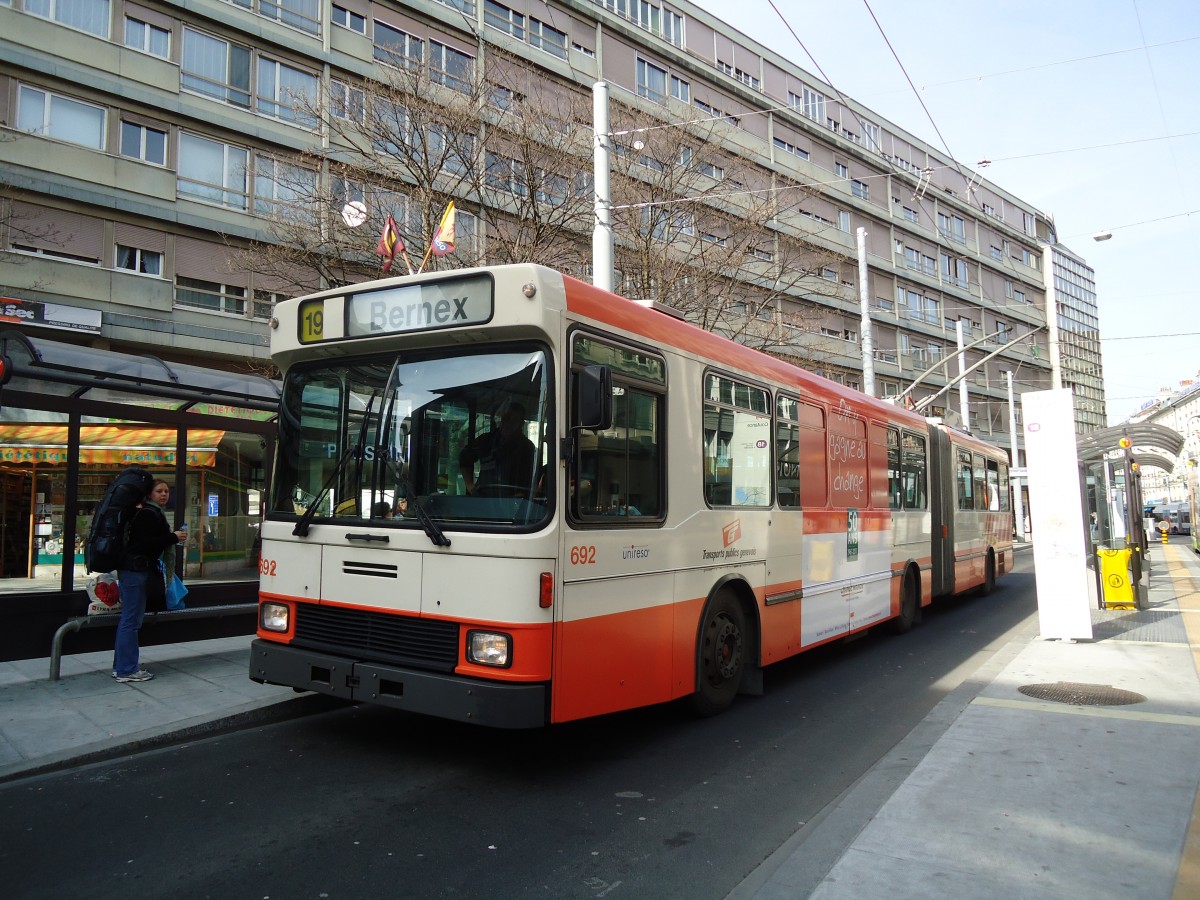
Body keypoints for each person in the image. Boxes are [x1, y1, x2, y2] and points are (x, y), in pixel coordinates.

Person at [113, 479, 186, 683]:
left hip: (133, 570)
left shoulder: (146, 512)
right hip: (136, 571)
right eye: (159, 491)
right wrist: (173, 537)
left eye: (166, 491)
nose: (164, 495)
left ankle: (120, 666)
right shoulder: (148, 514)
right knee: (131, 621)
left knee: (128, 620)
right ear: (149, 494)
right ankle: (126, 670)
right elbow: (144, 545)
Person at [459, 403, 536, 496]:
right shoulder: (486, 440)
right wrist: (470, 485)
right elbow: (464, 459)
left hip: (510, 502)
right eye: (507, 418)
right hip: (482, 500)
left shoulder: (527, 447)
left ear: (521, 424)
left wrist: (518, 499)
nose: (509, 423)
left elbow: (528, 480)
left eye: (514, 420)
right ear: (501, 419)